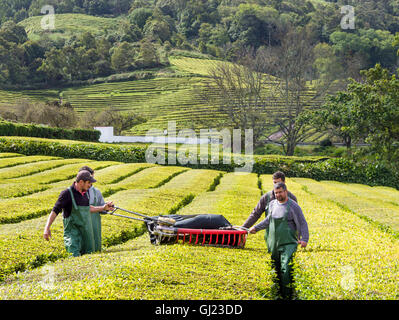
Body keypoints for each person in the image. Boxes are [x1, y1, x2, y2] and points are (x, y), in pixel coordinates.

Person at [249, 182, 309, 299]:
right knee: (275, 269)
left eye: (280, 192)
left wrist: (304, 239)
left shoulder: (293, 206)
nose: (278, 194)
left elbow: (302, 222)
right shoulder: (272, 204)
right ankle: (278, 295)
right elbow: (268, 220)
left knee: (285, 268)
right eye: (276, 192)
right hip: (274, 244)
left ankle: (287, 296)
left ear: (286, 192)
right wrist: (256, 228)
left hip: (288, 244)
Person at [43, 170, 114, 257]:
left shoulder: (85, 193)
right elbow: (55, 211)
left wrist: (103, 208)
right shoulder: (67, 194)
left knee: (89, 257)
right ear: (81, 182)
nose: (90, 185)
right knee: (74, 257)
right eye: (88, 183)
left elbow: (88, 208)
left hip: (86, 235)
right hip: (73, 235)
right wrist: (47, 228)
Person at [78, 166, 106, 252]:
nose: (91, 182)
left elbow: (102, 208)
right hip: (81, 226)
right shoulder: (74, 193)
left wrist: (106, 207)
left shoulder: (96, 192)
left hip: (94, 227)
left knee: (95, 249)